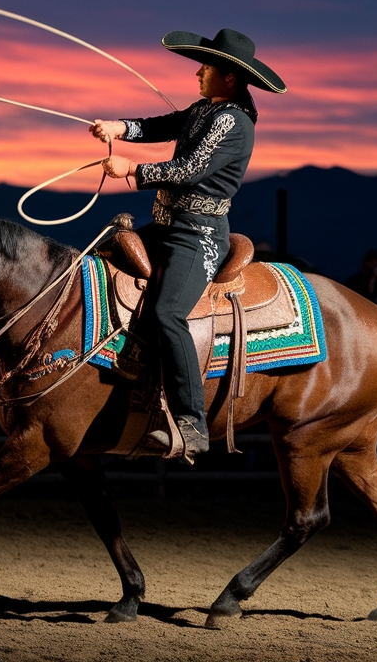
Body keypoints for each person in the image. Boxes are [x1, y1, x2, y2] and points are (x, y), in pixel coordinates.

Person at [90, 28, 283, 459]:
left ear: (229, 77)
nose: (198, 72)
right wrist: (117, 127)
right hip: (164, 227)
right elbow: (162, 125)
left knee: (168, 312)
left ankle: (190, 422)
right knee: (103, 258)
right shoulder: (204, 110)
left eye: (207, 66)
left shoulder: (233, 122)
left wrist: (132, 170)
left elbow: (190, 169)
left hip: (197, 236)